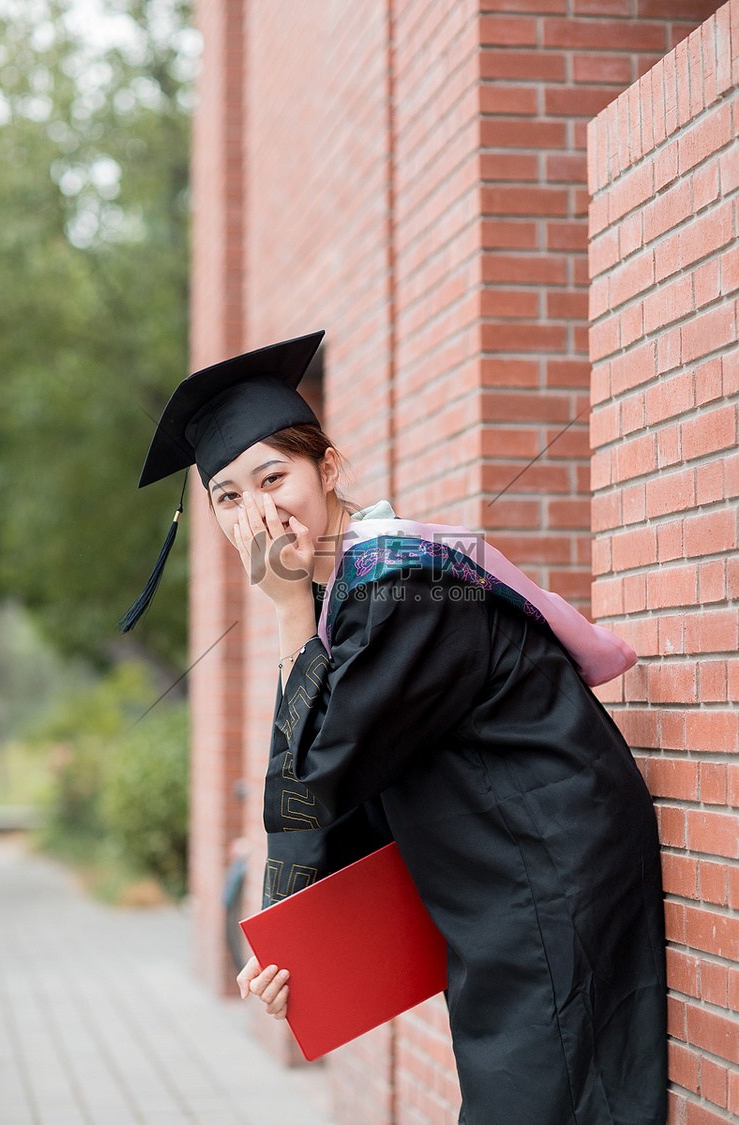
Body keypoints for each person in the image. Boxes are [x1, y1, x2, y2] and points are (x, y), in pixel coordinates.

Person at [123, 332, 667, 1125]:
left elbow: (315, 779)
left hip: (549, 881)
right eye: (229, 497)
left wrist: (285, 614)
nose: (258, 513)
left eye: (274, 476)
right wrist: (293, 936)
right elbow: (340, 787)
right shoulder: (351, 595)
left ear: (330, 469)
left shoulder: (403, 586)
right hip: (507, 885)